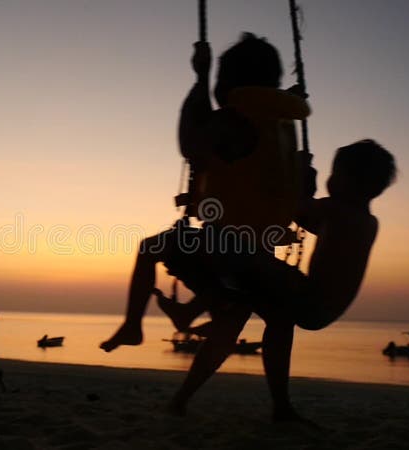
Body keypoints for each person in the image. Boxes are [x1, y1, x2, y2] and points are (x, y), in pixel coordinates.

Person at [100, 33, 310, 353]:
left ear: (226, 81)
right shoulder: (281, 121)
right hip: (264, 243)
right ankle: (199, 310)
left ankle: (132, 326)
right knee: (228, 283)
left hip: (228, 248)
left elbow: (190, 145)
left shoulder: (234, 120)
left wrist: (200, 77)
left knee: (148, 249)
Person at [163, 139, 397, 421]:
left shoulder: (336, 211)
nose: (330, 180)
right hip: (318, 307)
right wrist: (304, 188)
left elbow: (294, 209)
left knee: (249, 257)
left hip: (308, 296)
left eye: (335, 174)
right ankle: (278, 406)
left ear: (352, 182)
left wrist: (299, 175)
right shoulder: (364, 221)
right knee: (259, 317)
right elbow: (307, 218)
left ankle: (192, 310)